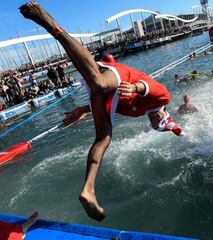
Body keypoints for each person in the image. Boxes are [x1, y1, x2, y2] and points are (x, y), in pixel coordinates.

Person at [20, 1, 182, 222]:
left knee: (104, 138)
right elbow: (152, 87)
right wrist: (135, 87)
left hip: (109, 90)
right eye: (160, 120)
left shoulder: (136, 113)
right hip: (119, 75)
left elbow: (112, 106)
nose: (155, 120)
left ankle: (88, 190)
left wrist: (82, 109)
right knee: (99, 84)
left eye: (155, 125)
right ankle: (50, 24)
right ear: (166, 113)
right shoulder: (164, 98)